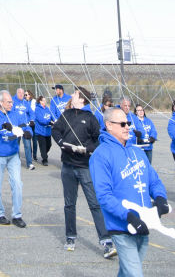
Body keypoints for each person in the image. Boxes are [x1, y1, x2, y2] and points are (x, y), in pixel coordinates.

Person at [90, 106, 169, 276]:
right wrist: (129, 216)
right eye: (122, 123)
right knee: (135, 274)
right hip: (122, 227)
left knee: (127, 273)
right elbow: (104, 196)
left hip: (144, 225)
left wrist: (161, 198)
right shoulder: (100, 155)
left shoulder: (137, 152)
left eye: (128, 123)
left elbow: (153, 180)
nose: (127, 127)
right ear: (109, 125)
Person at [51, 87, 116, 258]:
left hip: (85, 166)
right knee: (69, 204)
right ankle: (70, 237)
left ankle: (106, 242)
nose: (72, 95)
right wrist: (62, 143)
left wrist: (87, 149)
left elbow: (99, 138)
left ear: (82, 99)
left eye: (75, 94)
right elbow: (55, 130)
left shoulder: (90, 117)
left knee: (94, 203)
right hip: (67, 166)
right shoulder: (66, 115)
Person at [0, 88, 28, 227]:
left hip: (13, 154)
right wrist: (1, 125)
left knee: (17, 184)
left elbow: (25, 125)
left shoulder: (15, 114)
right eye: (9, 102)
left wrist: (28, 132)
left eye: (12, 102)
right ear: (1, 102)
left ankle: (17, 215)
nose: (11, 104)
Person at [12, 88, 35, 170]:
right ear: (17, 93)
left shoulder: (26, 102)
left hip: (25, 127)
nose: (22, 95)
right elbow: (10, 113)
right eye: (20, 93)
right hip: (17, 127)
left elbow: (31, 112)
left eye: (23, 94)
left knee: (28, 145)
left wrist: (32, 120)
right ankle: (16, 162)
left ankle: (29, 163)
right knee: (16, 145)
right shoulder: (13, 101)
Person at [33, 94, 52, 166]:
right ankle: (44, 159)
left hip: (47, 131)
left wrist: (54, 121)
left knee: (49, 145)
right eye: (43, 100)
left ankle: (44, 154)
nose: (45, 101)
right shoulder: (37, 109)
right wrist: (48, 122)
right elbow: (40, 120)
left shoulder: (47, 109)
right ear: (40, 101)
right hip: (40, 131)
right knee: (43, 146)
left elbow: (51, 116)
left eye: (45, 100)